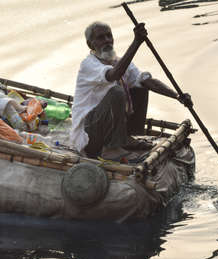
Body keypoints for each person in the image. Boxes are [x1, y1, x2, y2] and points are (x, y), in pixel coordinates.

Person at [70, 21, 191, 161]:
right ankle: (111, 149)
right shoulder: (89, 65)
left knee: (141, 86)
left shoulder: (117, 62)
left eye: (109, 36)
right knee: (116, 92)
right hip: (89, 136)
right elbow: (113, 75)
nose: (107, 40)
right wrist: (136, 43)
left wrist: (177, 95)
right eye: (101, 37)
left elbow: (146, 81)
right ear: (91, 45)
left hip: (107, 130)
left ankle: (126, 138)